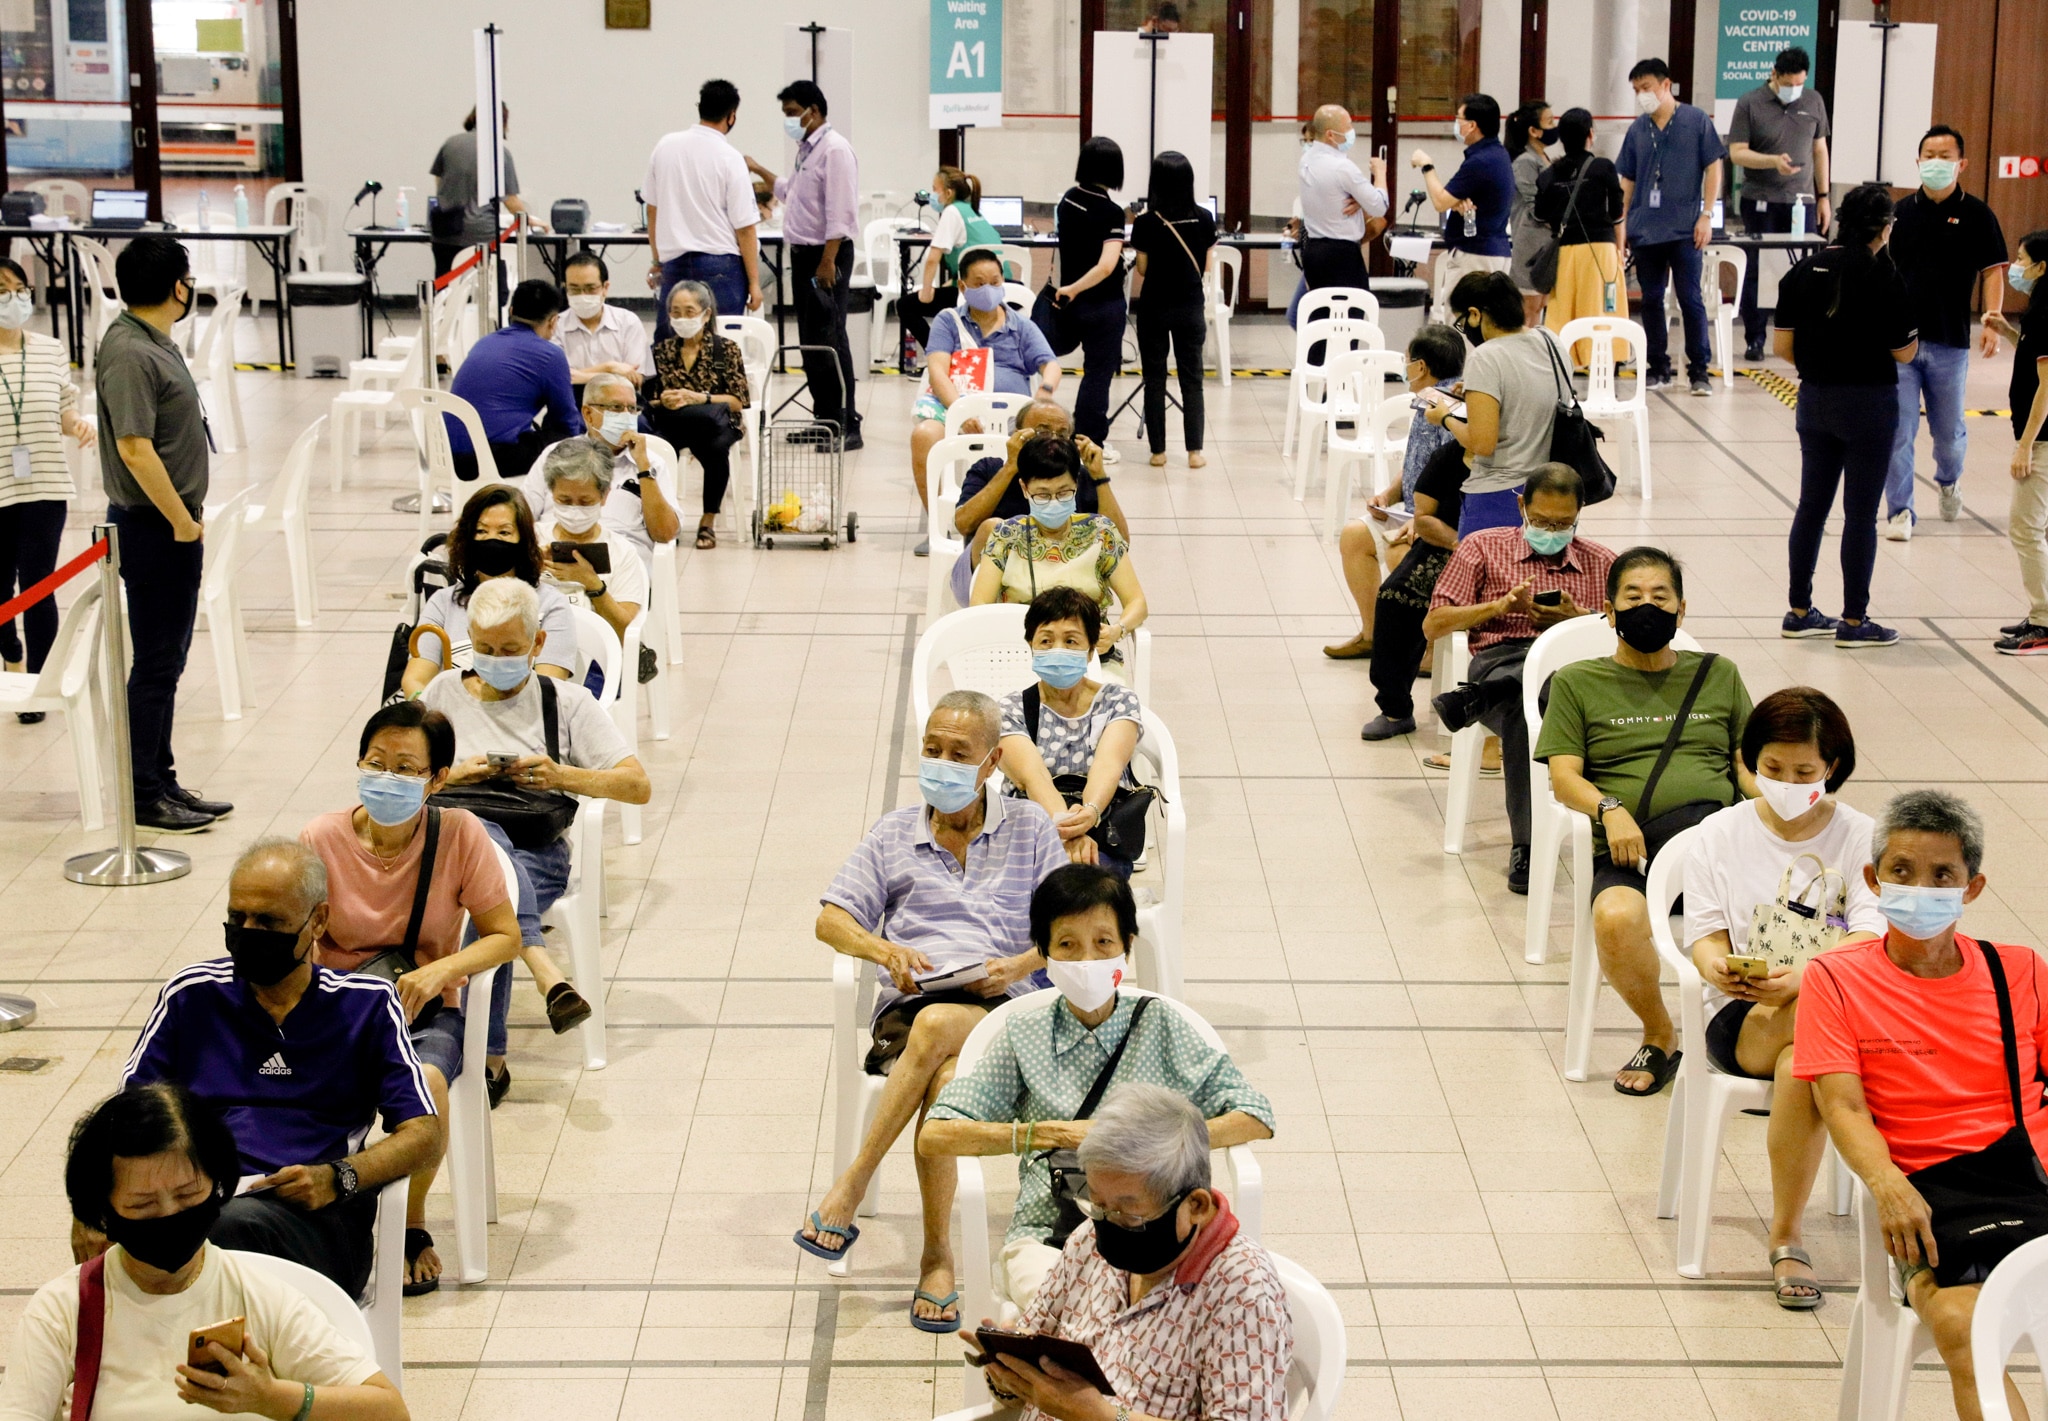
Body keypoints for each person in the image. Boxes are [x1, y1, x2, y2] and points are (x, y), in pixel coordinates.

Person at [795, 692, 1066, 1331]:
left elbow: (1068, 925)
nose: (940, 764)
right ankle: (937, 1256)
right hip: (915, 1004)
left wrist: (1019, 965)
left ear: (993, 761)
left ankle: (852, 1186)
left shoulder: (1030, 829)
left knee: (940, 1026)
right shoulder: (894, 833)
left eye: (958, 754)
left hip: (1009, 1008)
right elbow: (830, 920)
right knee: (943, 1071)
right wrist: (880, 948)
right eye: (931, 750)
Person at [921, 865, 1276, 1315]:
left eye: (1104, 942)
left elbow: (1255, 1116)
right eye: (1067, 945)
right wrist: (1047, 1134)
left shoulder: (1163, 1025)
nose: (1087, 958)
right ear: (1044, 955)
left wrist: (1157, 1143)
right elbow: (937, 1133)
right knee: (1087, 1319)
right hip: (1050, 1237)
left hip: (1160, 1235)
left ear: (1127, 947)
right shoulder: (1023, 1033)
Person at [1798, 790, 2048, 1421]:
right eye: (1902, 871)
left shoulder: (2016, 971)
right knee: (1964, 1326)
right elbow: (1843, 1107)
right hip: (1927, 1196)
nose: (1920, 888)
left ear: (1973, 887)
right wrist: (1887, 1184)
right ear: (1872, 878)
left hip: (2030, 1177)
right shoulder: (1834, 978)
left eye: (1943, 875)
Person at [119, 839, 442, 1299]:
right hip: (198, 1205)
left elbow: (424, 1134)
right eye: (237, 919)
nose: (249, 932)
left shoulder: (366, 1006)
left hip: (318, 1220)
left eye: (268, 921)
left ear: (318, 921)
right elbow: (126, 1121)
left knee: (221, 1235)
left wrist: (339, 1177)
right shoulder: (192, 997)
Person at [8, 1083, 408, 1421]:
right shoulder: (65, 1310)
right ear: (102, 1212)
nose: (169, 1215)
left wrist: (272, 1398)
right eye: (143, 1206)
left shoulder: (261, 1296)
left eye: (187, 1195)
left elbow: (388, 1409)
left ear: (218, 1187)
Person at [300, 701, 523, 1296]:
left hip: (423, 1012)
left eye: (405, 768)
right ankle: (317, 1214)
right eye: (376, 763)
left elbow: (506, 936)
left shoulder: (458, 833)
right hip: (337, 1010)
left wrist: (439, 971)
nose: (387, 778)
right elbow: (296, 937)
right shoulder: (320, 837)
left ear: (438, 779)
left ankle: (410, 1223)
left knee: (428, 1086)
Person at [1683, 686, 1883, 1306]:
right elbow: (1704, 937)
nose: (1787, 782)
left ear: (1833, 768)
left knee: (1805, 1063)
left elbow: (1875, 931)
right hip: (1745, 1014)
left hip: (1824, 1009)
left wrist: (1808, 978)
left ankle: (1787, 1234)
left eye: (1804, 772)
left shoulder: (1861, 836)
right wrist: (1720, 970)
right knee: (1817, 1029)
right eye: (1772, 769)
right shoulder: (1718, 833)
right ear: (1751, 760)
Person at [1534, 547, 1756, 1095]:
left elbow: (1747, 766)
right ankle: (1659, 1031)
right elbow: (1564, 778)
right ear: (1608, 611)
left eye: (1661, 597)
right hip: (1635, 849)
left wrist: (1780, 803)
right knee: (1614, 915)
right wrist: (1610, 810)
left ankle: (1756, 1040)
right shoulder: (1577, 682)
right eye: (1633, 597)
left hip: (1716, 849)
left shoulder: (1718, 674)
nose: (1647, 608)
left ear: (1682, 612)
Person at [416, 576, 649, 1075]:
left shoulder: (566, 703)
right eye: (483, 648)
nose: (495, 658)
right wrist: (452, 774)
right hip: (448, 855)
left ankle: (486, 1060)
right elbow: (404, 777)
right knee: (473, 837)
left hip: (536, 854)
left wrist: (560, 775)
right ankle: (541, 975)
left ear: (537, 643)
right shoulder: (441, 692)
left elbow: (637, 786)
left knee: (483, 901)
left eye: (509, 648)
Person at [965, 1083, 1293, 1418]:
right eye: (1096, 1203)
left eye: (1129, 1214)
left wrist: (1101, 1416)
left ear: (1195, 1205)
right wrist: (1007, 1373)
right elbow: (1031, 1370)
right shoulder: (1088, 1240)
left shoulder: (1244, 1293)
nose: (1106, 1224)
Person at [1426, 464, 1615, 894]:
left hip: (1575, 673)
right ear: (1521, 507)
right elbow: (1434, 624)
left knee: (1544, 690)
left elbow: (1628, 632)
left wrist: (1575, 619)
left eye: (1563, 523)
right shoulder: (1481, 548)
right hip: (1502, 656)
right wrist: (1495, 608)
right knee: (1524, 707)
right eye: (1542, 520)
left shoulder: (1603, 562)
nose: (1552, 530)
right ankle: (1528, 844)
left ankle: (1480, 699)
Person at [96, 234, 231, 834]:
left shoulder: (155, 340)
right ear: (176, 285)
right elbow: (133, 446)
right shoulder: (129, 351)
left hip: (173, 521)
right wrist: (180, 519)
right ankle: (143, 794)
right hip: (155, 526)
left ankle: (163, 776)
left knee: (169, 660)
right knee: (155, 663)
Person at [1775, 182, 1918, 650]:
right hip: (1869, 405)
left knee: (1811, 506)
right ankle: (1854, 620)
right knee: (1860, 514)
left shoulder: (1802, 271)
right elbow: (1905, 352)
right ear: (1884, 227)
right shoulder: (1884, 277)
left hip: (1815, 401)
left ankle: (1799, 610)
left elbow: (1782, 347)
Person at [1883, 125, 2011, 539]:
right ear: (1918, 162)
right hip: (1900, 343)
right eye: (1928, 155)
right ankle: (1900, 511)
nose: (1935, 163)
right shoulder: (1899, 213)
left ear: (1961, 163)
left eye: (1944, 155)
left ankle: (1949, 479)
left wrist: (1992, 316)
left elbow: (1993, 270)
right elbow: (1880, 269)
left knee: (1948, 433)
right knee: (1899, 431)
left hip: (1949, 342)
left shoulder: (1977, 215)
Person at [1326, 321, 1464, 662]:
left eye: (1407, 360)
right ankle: (1374, 636)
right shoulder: (1424, 402)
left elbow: (1451, 483)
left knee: (1400, 555)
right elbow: (1416, 464)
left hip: (1438, 519)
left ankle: (1430, 647)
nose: (1404, 367)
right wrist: (1388, 495)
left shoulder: (1451, 411)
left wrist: (1423, 520)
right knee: (1354, 535)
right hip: (1408, 509)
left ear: (1420, 366)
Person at [913, 248, 1061, 553]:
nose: (988, 289)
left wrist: (1044, 392)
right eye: (979, 283)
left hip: (1010, 419)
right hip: (957, 410)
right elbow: (937, 370)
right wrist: (959, 411)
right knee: (924, 435)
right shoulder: (949, 321)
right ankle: (939, 527)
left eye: (995, 281)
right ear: (963, 287)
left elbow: (1051, 365)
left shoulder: (1021, 326)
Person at [0, 256, 94, 724]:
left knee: (39, 585)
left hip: (44, 484)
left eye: (19, 289)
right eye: (2, 291)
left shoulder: (50, 350)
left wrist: (77, 425)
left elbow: (63, 408)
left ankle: (40, 685)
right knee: (2, 589)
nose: (13, 299)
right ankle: (10, 649)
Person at [971, 435, 1150, 677]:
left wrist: (1117, 630)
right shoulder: (1006, 536)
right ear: (1025, 489)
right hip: (1020, 659)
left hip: (1091, 659)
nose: (1054, 502)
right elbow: (978, 608)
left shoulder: (1101, 533)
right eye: (1042, 495)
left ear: (1076, 484)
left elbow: (1137, 602)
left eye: (1064, 493)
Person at [746, 80, 862, 448]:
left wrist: (827, 262)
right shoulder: (806, 150)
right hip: (805, 256)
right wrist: (759, 169)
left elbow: (840, 215)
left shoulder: (835, 150)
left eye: (793, 113)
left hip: (825, 257)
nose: (789, 120)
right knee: (811, 343)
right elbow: (789, 193)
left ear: (814, 111)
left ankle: (848, 424)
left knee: (831, 337)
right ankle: (824, 418)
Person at [998, 588, 1145, 874]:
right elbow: (1034, 778)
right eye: (1046, 640)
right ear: (1031, 646)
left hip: (1101, 833)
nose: (1057, 650)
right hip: (1030, 838)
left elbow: (1108, 767)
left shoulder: (1118, 701)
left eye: (1071, 641)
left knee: (1087, 880)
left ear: (1091, 650)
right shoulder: (1010, 709)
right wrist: (1068, 832)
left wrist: (1089, 813)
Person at [402, 483, 577, 698]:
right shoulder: (443, 602)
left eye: (504, 532)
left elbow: (549, 685)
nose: (491, 540)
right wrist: (425, 707)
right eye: (481, 531)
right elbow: (416, 678)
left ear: (523, 541)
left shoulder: (552, 604)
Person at [1615, 58, 1726, 395]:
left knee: (1691, 299)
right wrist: (1621, 227)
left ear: (1666, 85)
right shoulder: (1638, 129)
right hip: (1646, 230)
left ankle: (1699, 371)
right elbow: (1628, 181)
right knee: (1650, 299)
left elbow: (1714, 168)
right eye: (1636, 90)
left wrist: (1706, 214)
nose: (1642, 96)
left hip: (1686, 228)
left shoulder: (1696, 121)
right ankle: (1657, 367)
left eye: (1646, 88)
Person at [947, 400, 1126, 606]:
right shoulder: (989, 468)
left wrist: (1099, 476)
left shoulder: (1078, 477)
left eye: (1062, 434)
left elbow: (1119, 543)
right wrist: (1011, 467)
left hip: (1061, 577)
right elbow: (963, 524)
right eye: (1043, 432)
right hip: (983, 575)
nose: (1052, 441)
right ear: (1018, 433)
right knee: (993, 527)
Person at [1728, 47, 1833, 361]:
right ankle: (1755, 338)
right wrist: (1772, 161)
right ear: (1774, 75)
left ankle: (1805, 335)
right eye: (1788, 84)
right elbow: (1737, 152)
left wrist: (1824, 196)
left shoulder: (1813, 101)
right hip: (1760, 200)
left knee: (1807, 270)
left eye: (1798, 84)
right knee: (1757, 272)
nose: (1793, 90)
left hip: (1802, 201)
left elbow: (1820, 150)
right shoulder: (1750, 102)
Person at [1439, 270, 1561, 534]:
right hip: (1552, 490)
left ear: (1474, 314)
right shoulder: (1550, 341)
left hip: (1498, 494)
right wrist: (1478, 393)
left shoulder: (1486, 357)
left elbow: (1482, 443)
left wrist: (1444, 418)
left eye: (1462, 322)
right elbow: (1532, 394)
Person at [522, 372, 683, 569]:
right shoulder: (556, 454)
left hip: (621, 567)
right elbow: (523, 516)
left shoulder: (651, 463)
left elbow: (665, 533)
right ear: (588, 414)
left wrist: (643, 467)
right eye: (616, 407)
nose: (626, 416)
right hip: (555, 559)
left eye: (632, 409)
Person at [643, 78, 762, 335]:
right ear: (732, 116)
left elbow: (652, 209)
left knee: (672, 343)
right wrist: (754, 282)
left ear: (700, 107)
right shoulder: (730, 158)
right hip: (722, 264)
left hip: (674, 262)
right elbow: (745, 228)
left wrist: (656, 259)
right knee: (720, 344)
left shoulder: (665, 146)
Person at [642, 280, 751, 550]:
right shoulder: (662, 350)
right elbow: (648, 398)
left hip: (716, 423)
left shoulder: (725, 349)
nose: (682, 319)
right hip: (676, 421)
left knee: (715, 450)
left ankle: (707, 521)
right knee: (656, 450)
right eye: (675, 312)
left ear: (706, 313)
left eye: (689, 312)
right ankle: (664, 518)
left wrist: (700, 397)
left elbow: (739, 401)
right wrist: (663, 400)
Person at [445, 278, 583, 483]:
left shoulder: (485, 342)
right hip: (493, 459)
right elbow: (567, 420)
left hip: (448, 455)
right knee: (566, 437)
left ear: (511, 311)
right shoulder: (550, 354)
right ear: (554, 321)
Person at [1129, 150, 1215, 469]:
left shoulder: (1146, 222)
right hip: (1190, 306)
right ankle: (1194, 452)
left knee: (1155, 378)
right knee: (1192, 378)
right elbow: (1205, 265)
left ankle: (1158, 452)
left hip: (1154, 307)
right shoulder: (1204, 218)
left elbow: (1141, 268)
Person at [1986, 231, 2048, 655]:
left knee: (2025, 528)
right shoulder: (2039, 307)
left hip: (2043, 438)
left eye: (2023, 260)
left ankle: (2044, 621)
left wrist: (2026, 443)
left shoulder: (2047, 309)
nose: (2016, 267)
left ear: (2042, 267)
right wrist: (2010, 333)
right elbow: (2033, 355)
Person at [1051, 136, 1129, 448]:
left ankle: (1073, 429)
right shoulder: (1111, 212)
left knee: (1084, 367)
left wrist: (1069, 289)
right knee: (1098, 373)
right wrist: (1077, 286)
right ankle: (1088, 438)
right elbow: (1107, 266)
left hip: (1071, 304)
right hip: (1103, 305)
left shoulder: (1068, 200)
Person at [534, 439, 647, 654]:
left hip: (596, 658)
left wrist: (594, 585)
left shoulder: (621, 552)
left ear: (604, 496)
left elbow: (627, 634)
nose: (574, 509)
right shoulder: (532, 539)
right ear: (551, 493)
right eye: (565, 500)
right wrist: (528, 568)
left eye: (585, 501)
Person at [1534, 108, 1627, 368]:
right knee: (1599, 307)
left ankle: (1564, 362)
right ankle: (1602, 361)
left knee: (1563, 309)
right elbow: (1617, 212)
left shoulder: (1549, 175)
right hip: (1600, 250)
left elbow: (1540, 215)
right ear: (1590, 135)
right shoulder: (1603, 167)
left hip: (1564, 251)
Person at [1414, 93, 1516, 316]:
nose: (1456, 123)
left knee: (1463, 323)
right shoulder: (1497, 155)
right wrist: (1456, 202)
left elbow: (1440, 201)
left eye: (1458, 118)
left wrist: (1427, 165)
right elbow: (1460, 197)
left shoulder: (1481, 162)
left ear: (1471, 125)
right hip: (1492, 251)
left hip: (1475, 254)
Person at [428, 104, 537, 280]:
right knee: (496, 287)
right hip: (481, 235)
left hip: (444, 230)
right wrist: (531, 221)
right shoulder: (499, 152)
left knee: (445, 288)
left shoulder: (450, 143)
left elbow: (439, 180)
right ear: (503, 122)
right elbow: (510, 200)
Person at [905, 166, 1004, 351]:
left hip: (974, 293)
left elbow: (933, 258)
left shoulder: (951, 212)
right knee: (943, 296)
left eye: (935, 189)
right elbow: (969, 258)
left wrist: (926, 293)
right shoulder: (973, 211)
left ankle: (938, 354)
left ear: (948, 193)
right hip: (1003, 289)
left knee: (905, 305)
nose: (932, 195)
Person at [1297, 104, 1389, 298]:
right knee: (1350, 319)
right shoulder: (1343, 167)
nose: (1351, 131)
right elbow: (1379, 206)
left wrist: (1358, 198)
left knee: (1321, 317)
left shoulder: (1306, 159)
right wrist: (1380, 173)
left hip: (1314, 251)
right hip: (1342, 255)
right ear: (1331, 134)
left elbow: (1330, 192)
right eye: (1347, 127)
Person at [551, 251, 653, 399]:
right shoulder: (555, 325)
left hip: (620, 400)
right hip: (571, 402)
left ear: (605, 287)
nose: (582, 295)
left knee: (640, 422)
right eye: (574, 289)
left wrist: (580, 375)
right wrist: (610, 368)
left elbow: (635, 379)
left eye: (590, 288)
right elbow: (556, 378)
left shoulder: (628, 322)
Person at [1505, 100, 1558, 327]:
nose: (1554, 126)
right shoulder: (1525, 162)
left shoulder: (1544, 159)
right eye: (1549, 122)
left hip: (1546, 244)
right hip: (1530, 245)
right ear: (1534, 131)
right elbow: (1535, 205)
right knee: (1529, 306)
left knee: (1541, 305)